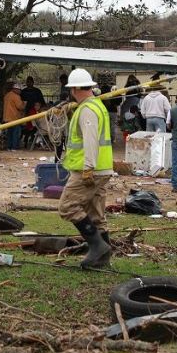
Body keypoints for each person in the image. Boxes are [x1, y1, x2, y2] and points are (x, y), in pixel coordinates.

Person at [58, 68, 113, 269]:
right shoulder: (96, 106)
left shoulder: (87, 110)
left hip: (88, 170)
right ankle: (103, 259)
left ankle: (97, 246)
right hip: (103, 168)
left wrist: (88, 168)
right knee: (96, 213)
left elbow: (90, 140)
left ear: (74, 89)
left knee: (68, 207)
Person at [3, 82, 26, 150]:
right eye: (20, 90)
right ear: (17, 89)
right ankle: (14, 147)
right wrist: (24, 104)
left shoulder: (7, 95)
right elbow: (20, 107)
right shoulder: (16, 96)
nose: (20, 92)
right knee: (16, 133)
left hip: (7, 118)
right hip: (14, 118)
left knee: (9, 133)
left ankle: (9, 147)